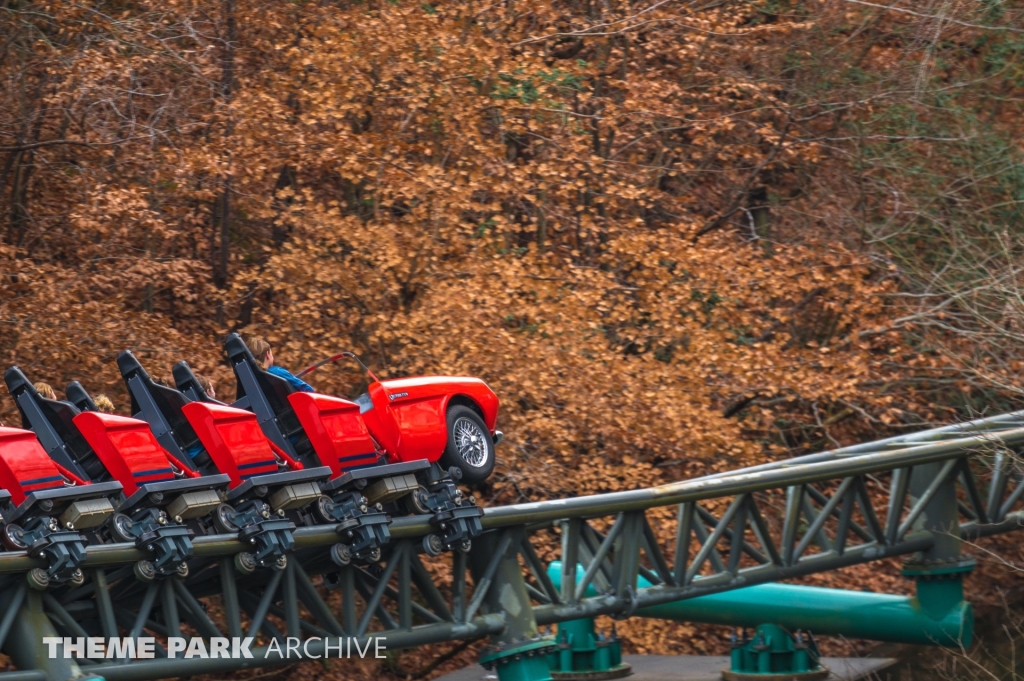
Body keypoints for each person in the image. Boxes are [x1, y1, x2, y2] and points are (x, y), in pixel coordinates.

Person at [244, 336, 314, 393]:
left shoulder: (250, 381)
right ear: (268, 355)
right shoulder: (277, 372)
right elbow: (308, 390)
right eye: (271, 353)